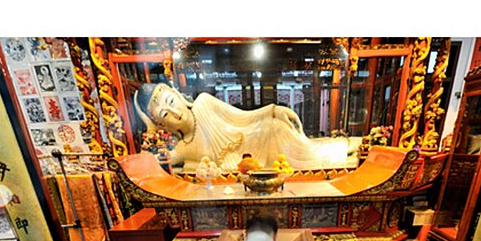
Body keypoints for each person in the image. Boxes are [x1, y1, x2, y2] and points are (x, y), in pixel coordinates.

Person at [134, 82, 357, 172]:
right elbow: (163, 159)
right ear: (163, 124)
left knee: (309, 153)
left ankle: (352, 147)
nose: (175, 113)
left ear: (177, 95)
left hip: (260, 136)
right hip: (246, 162)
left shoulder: (204, 102)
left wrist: (273, 110)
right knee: (306, 152)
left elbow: (243, 117)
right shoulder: (184, 147)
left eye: (172, 102)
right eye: (165, 115)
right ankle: (348, 149)